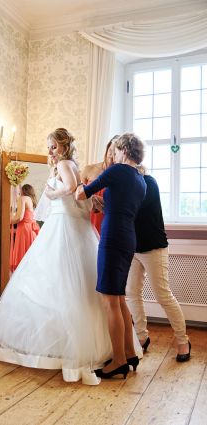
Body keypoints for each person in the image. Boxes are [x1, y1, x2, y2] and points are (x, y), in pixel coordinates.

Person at [0, 128, 117, 386]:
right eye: (49, 147)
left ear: (64, 148)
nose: (50, 151)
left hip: (64, 226)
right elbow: (80, 195)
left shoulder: (66, 164)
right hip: (68, 224)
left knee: (59, 281)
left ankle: (67, 348)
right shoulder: (71, 165)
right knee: (60, 282)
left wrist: (53, 193)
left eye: (53, 146)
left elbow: (68, 189)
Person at [76, 132, 147, 379]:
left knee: (109, 299)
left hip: (113, 237)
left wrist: (78, 188)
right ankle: (129, 353)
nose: (113, 155)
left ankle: (117, 360)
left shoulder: (117, 171)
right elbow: (121, 206)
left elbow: (82, 193)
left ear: (123, 151)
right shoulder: (141, 180)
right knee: (119, 299)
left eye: (115, 150)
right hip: (128, 238)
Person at [126, 167, 191, 361]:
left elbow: (135, 207)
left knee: (163, 295)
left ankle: (182, 341)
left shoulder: (149, 182)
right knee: (132, 293)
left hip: (154, 248)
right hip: (133, 249)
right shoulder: (126, 186)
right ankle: (141, 336)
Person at [80, 137, 118, 236]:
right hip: (87, 220)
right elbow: (77, 195)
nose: (112, 154)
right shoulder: (89, 169)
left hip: (108, 222)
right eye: (111, 150)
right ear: (107, 149)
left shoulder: (120, 175)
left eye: (116, 152)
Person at [9, 183, 40, 272]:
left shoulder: (23, 198)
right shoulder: (31, 200)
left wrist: (8, 220)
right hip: (31, 230)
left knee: (22, 256)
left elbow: (19, 217)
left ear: (23, 190)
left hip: (24, 230)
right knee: (29, 257)